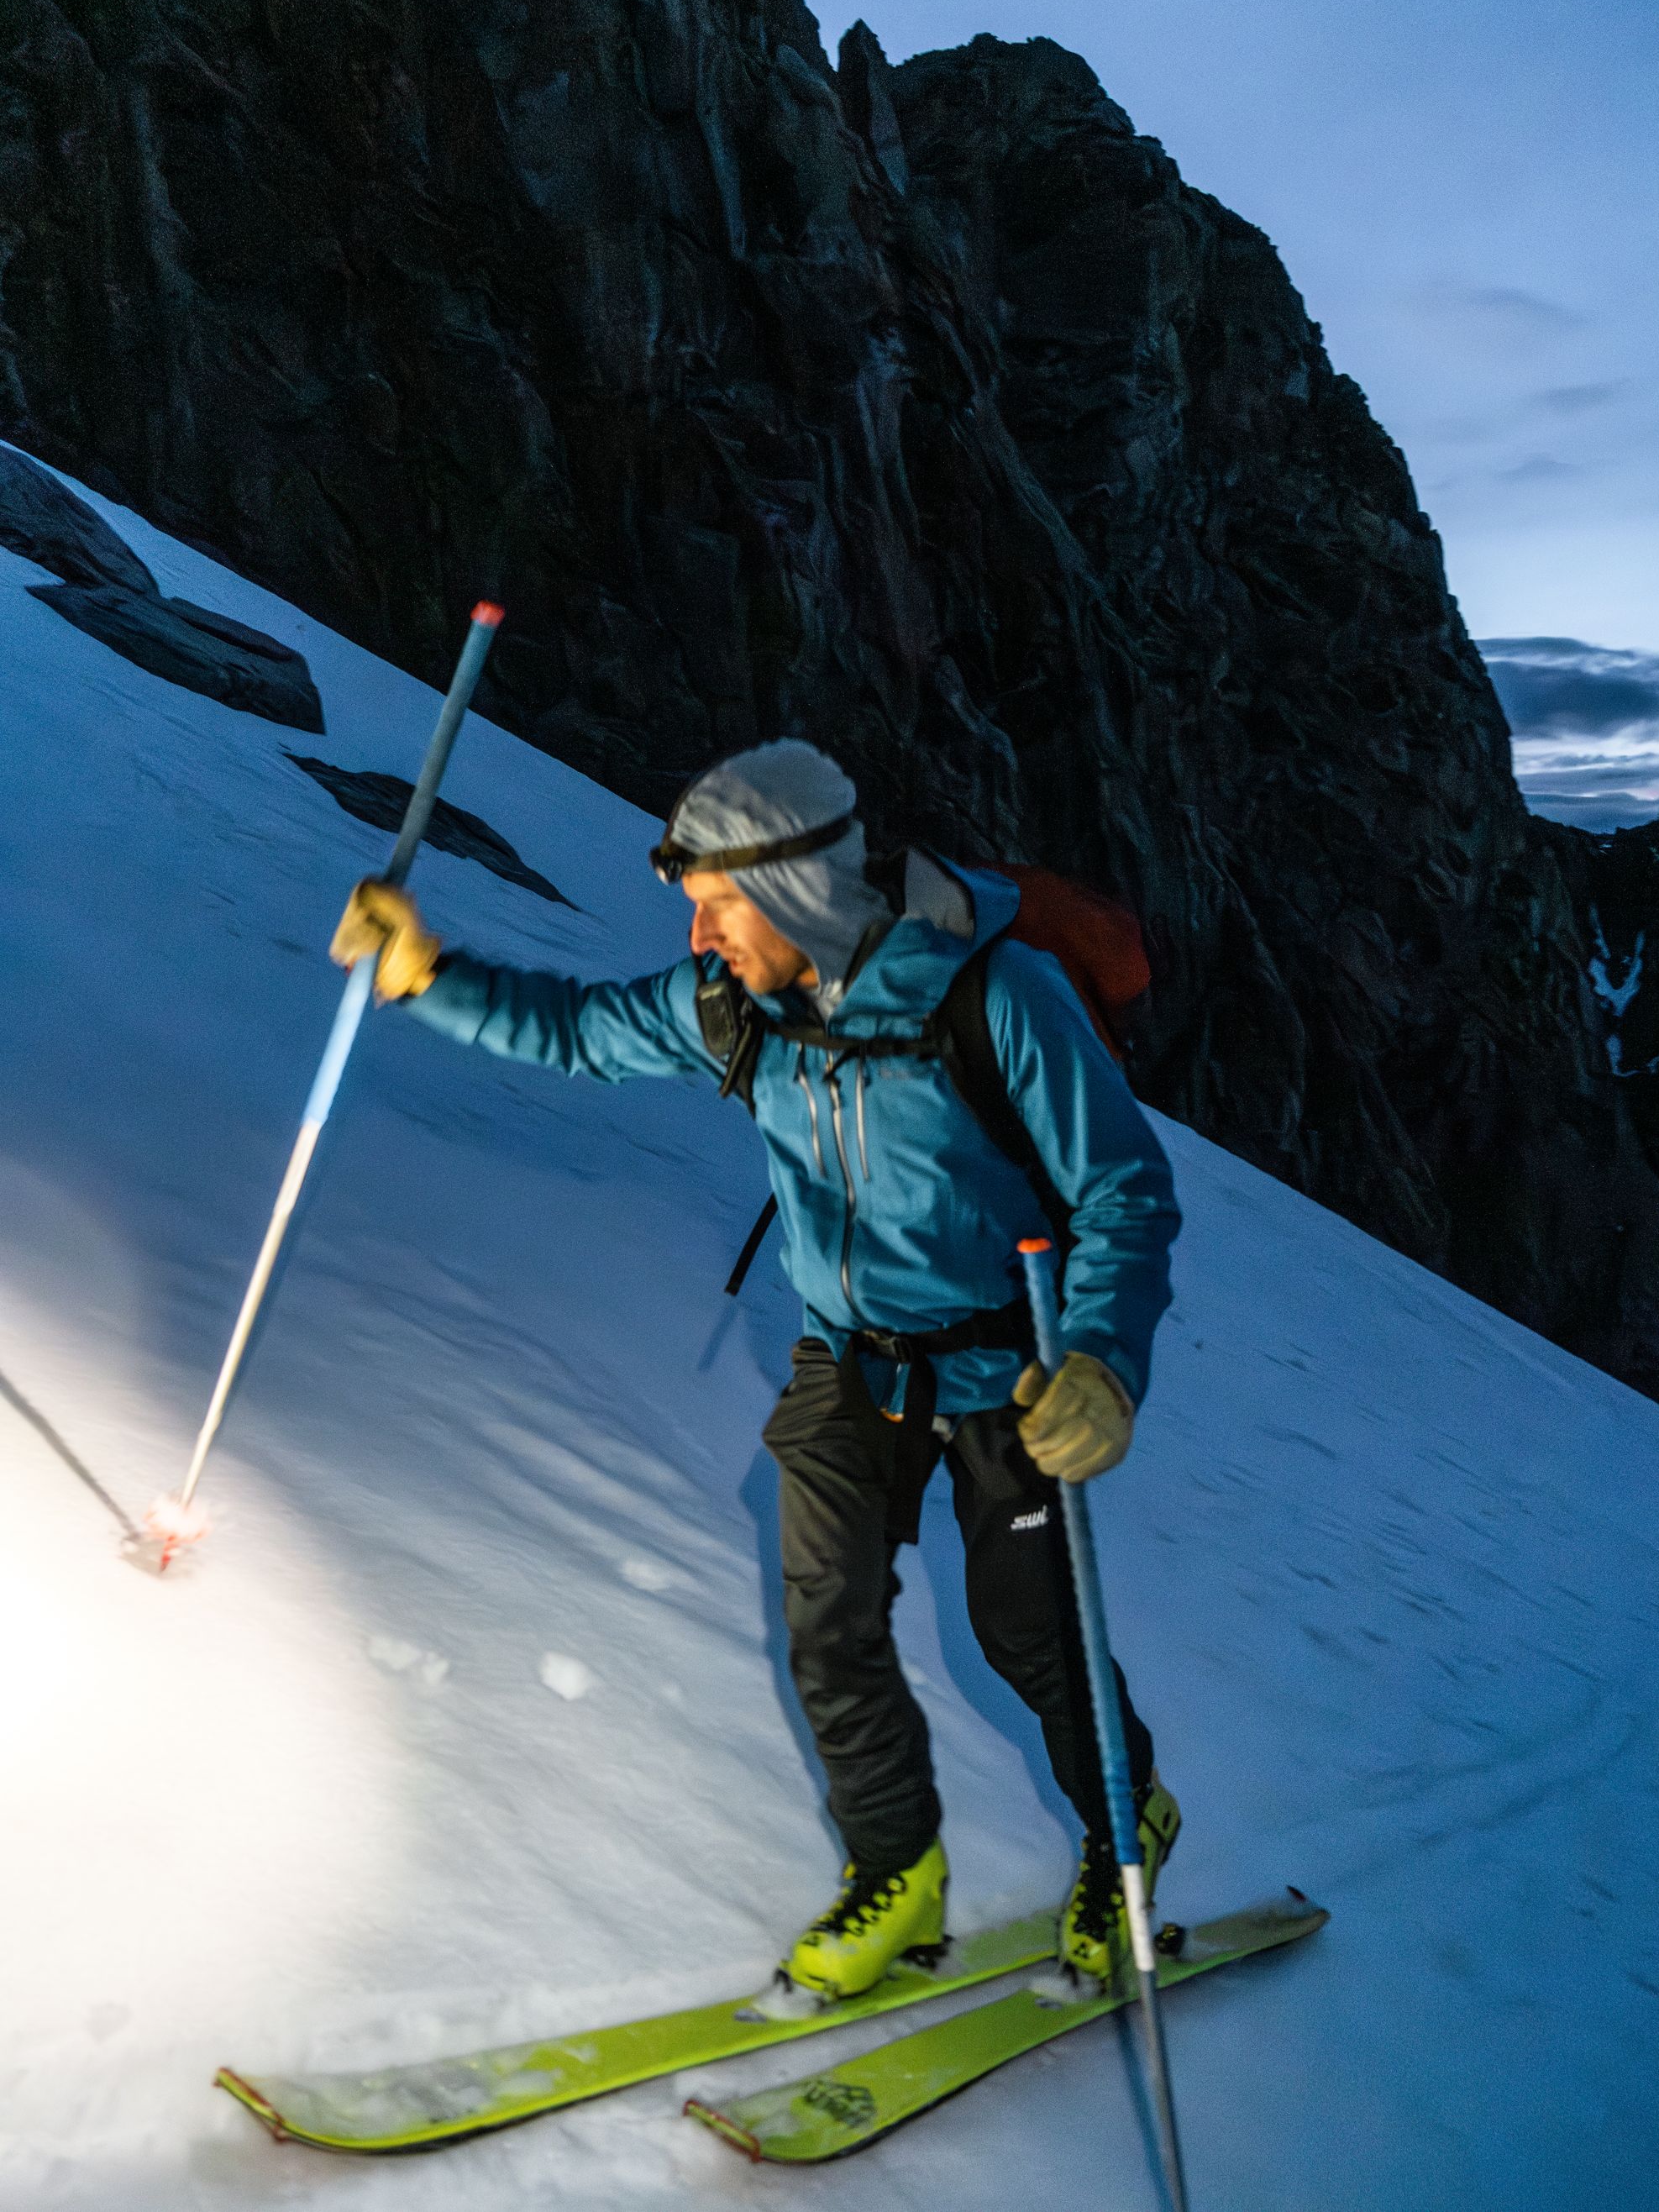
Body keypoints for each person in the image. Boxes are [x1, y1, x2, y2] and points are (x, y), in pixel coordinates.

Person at [332, 738, 1182, 1999]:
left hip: (1011, 1367)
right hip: (846, 1362)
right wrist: (427, 977)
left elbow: (1126, 1189)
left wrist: (1101, 1365)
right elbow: (578, 1032)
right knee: (827, 1618)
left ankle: (1127, 1837)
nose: (700, 934)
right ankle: (898, 1873)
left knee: (1031, 1634)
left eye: (720, 903)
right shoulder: (740, 1007)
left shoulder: (995, 1001)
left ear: (799, 892)